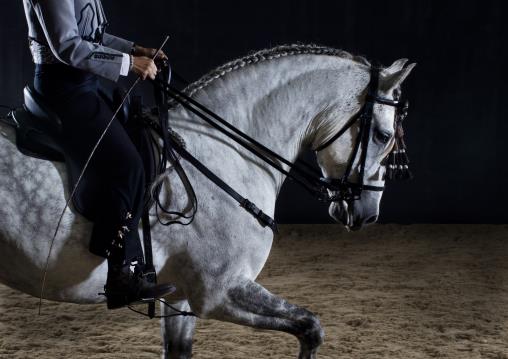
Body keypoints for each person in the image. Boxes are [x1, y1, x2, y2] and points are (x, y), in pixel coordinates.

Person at [23, 0, 175, 309]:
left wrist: (136, 50)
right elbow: (68, 46)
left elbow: (94, 37)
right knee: (127, 165)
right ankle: (120, 277)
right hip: (62, 91)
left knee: (142, 133)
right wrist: (128, 63)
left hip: (87, 84)